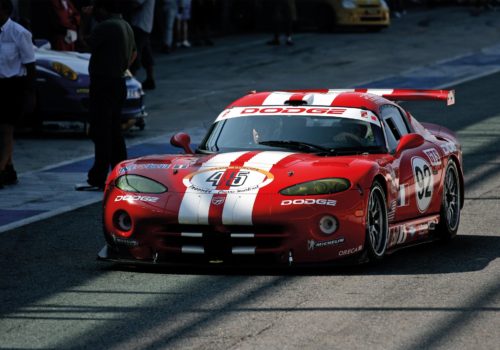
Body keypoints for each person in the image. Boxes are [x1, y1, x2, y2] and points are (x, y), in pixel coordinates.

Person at [78, 0, 137, 190]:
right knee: (114, 132)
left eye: (95, 9)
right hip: (117, 81)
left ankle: (98, 176)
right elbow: (134, 53)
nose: (93, 12)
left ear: (104, 9)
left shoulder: (107, 26)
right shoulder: (125, 25)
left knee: (101, 131)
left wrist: (84, 21)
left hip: (104, 82)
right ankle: (119, 174)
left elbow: (83, 44)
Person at [0, 0, 35, 189]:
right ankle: (9, 167)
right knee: (3, 131)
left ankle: (1, 169)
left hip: (12, 86)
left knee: (6, 129)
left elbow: (30, 65)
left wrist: (30, 94)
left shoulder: (19, 33)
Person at [129, 0, 156, 90]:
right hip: (145, 25)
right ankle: (150, 79)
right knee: (146, 52)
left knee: (136, 52)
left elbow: (135, 4)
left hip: (140, 24)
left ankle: (131, 79)